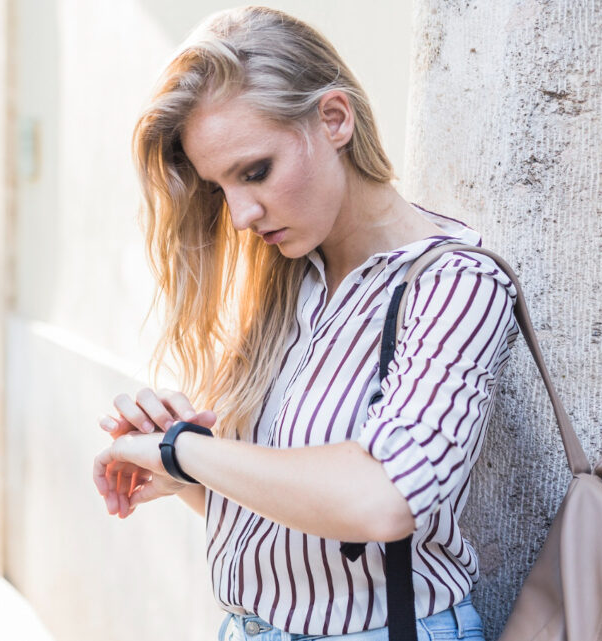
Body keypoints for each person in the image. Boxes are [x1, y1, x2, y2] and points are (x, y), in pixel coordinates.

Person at [91, 6, 516, 641]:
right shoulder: (285, 281)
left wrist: (191, 450)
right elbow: (294, 527)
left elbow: (382, 499)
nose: (239, 215)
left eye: (254, 171)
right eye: (219, 187)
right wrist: (180, 471)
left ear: (335, 119)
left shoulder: (455, 284)